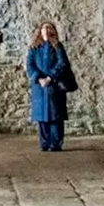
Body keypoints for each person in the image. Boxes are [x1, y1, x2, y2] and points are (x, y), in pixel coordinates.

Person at [26, 21, 73, 152]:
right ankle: (44, 143)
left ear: (52, 31)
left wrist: (50, 77)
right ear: (40, 31)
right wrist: (38, 78)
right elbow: (30, 65)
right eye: (43, 28)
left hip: (54, 86)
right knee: (42, 117)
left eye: (49, 28)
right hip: (39, 88)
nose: (46, 31)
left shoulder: (57, 46)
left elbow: (62, 63)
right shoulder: (34, 48)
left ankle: (56, 144)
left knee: (55, 116)